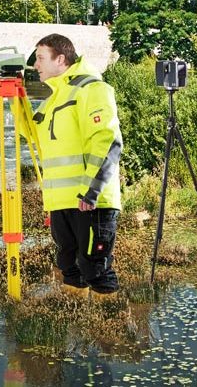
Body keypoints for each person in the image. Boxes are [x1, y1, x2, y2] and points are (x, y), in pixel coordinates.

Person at [31, 34, 123, 294]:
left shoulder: (91, 89)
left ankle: (117, 331)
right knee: (69, 269)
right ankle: (81, 331)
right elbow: (32, 135)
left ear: (60, 59)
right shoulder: (52, 100)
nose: (35, 65)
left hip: (90, 201)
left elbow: (107, 141)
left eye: (40, 58)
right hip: (61, 202)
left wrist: (91, 190)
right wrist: (14, 102)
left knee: (95, 270)